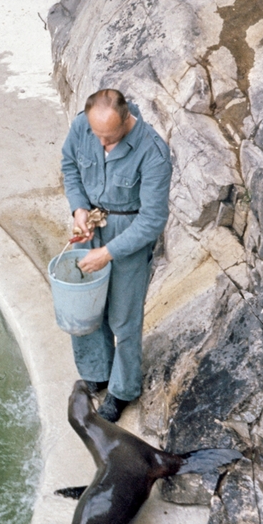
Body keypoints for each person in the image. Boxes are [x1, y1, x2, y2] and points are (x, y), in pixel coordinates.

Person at [60, 88, 172, 422]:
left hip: (129, 233)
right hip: (91, 224)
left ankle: (122, 391)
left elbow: (153, 220)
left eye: (110, 137)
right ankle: (97, 372)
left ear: (127, 119)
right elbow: (69, 165)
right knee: (85, 304)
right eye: (98, 136)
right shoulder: (84, 126)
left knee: (123, 319)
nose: (104, 143)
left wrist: (108, 253)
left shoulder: (153, 152)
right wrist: (79, 208)